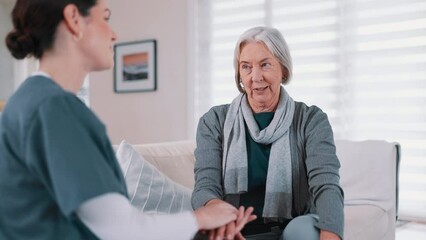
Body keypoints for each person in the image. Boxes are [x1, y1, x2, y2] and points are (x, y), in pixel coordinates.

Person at [0, 0, 256, 239]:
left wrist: (199, 225)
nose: (114, 34)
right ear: (74, 20)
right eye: (105, 18)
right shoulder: (54, 108)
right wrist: (201, 218)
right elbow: (120, 229)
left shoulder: (27, 103)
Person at [191, 26, 344, 240]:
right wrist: (219, 211)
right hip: (233, 230)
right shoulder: (214, 121)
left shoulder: (311, 120)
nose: (255, 77)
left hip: (291, 226)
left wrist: (331, 235)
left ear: (283, 69)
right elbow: (204, 188)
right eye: (246, 67)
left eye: (265, 64)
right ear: (239, 75)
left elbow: (326, 185)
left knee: (300, 232)